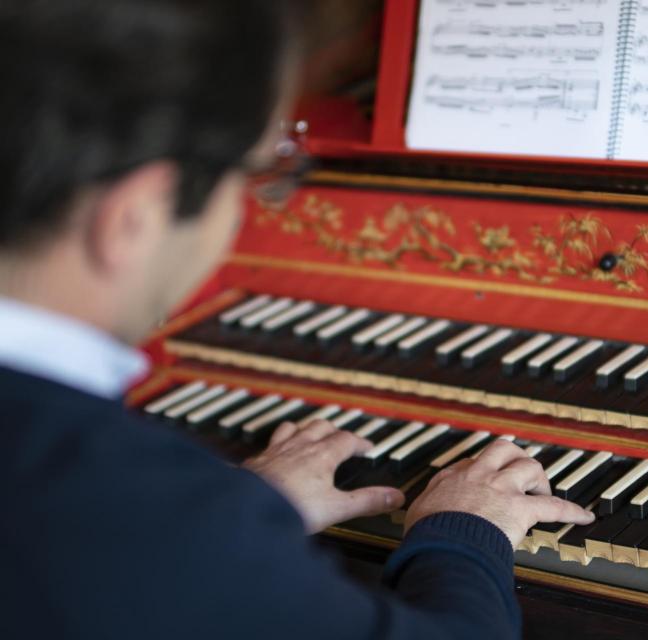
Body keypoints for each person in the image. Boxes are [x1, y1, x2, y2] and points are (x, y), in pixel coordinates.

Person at [0, 2, 595, 638]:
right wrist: (463, 531)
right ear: (135, 217)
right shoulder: (134, 511)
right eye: (260, 170)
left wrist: (248, 510)